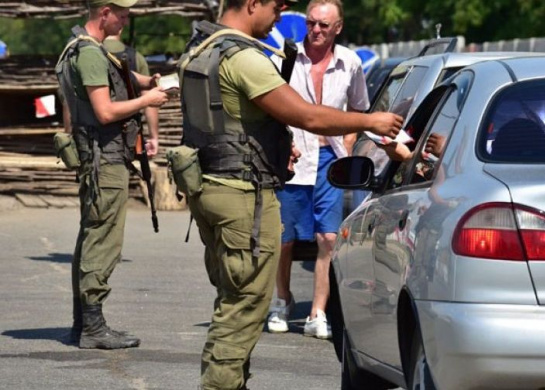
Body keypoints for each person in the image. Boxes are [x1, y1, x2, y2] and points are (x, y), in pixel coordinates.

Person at [176, 0, 402, 388]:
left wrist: (271, 145)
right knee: (246, 302)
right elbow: (308, 116)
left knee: (232, 298)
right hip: (240, 194)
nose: (280, 18)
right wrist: (370, 120)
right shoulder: (244, 58)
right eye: (276, 8)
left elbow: (225, 121)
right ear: (252, 4)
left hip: (212, 185)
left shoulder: (200, 48)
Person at [56, 0, 169, 350]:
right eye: (122, 14)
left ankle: (83, 324)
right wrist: (147, 99)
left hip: (98, 159)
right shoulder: (90, 53)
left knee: (92, 235)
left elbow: (112, 75)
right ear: (104, 12)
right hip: (105, 161)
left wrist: (143, 80)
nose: (126, 19)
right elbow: (105, 111)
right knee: (103, 239)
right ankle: (92, 327)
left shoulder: (84, 48)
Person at [267, 0, 369, 339]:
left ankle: (317, 311)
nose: (316, 30)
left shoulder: (350, 62)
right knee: (283, 239)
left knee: (328, 238)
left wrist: (349, 145)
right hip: (293, 158)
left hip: (331, 159)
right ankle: (281, 299)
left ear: (338, 27)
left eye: (324, 25)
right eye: (312, 23)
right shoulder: (284, 58)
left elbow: (359, 109)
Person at [102, 28, 160, 157]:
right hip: (128, 136)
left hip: (96, 137)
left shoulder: (89, 55)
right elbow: (150, 98)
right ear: (120, 29)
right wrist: (153, 137)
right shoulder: (136, 57)